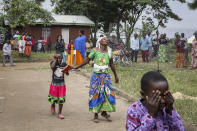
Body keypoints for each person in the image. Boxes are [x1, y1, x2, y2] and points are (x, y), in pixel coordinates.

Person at [72, 37, 119, 123]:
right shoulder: (95, 50)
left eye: (107, 40)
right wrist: (77, 66)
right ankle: (96, 114)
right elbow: (87, 60)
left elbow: (111, 63)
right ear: (100, 42)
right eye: (104, 39)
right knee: (95, 93)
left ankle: (104, 113)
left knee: (106, 93)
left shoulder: (109, 51)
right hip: (96, 76)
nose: (106, 40)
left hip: (106, 76)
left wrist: (116, 76)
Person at [48, 54, 69, 119]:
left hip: (61, 84)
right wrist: (55, 60)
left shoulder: (64, 64)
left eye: (60, 58)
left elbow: (67, 74)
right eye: (58, 58)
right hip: (54, 84)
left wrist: (66, 70)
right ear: (55, 58)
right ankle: (53, 105)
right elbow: (52, 67)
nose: (59, 59)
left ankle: (60, 113)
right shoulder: (53, 63)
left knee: (61, 99)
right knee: (54, 98)